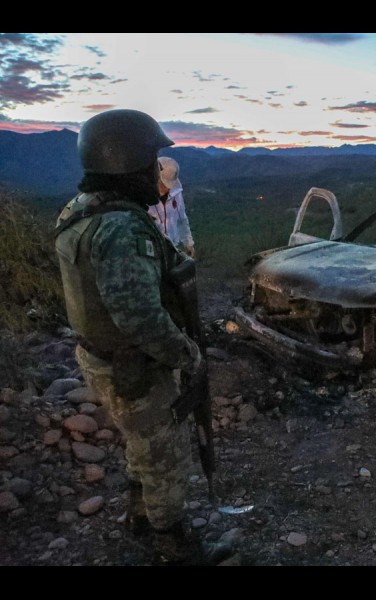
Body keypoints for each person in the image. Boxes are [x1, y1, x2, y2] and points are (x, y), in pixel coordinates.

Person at [53, 109, 230, 565]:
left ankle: (139, 514)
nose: (157, 172)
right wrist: (188, 355)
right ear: (126, 164)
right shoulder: (121, 228)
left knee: (141, 441)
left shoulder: (81, 210)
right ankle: (172, 543)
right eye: (151, 162)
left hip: (102, 357)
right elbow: (141, 319)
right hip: (133, 364)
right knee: (165, 456)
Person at [148, 156, 196, 258]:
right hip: (152, 249)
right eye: (163, 184)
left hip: (172, 247)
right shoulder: (144, 197)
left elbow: (182, 219)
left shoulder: (176, 193)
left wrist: (188, 243)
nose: (167, 188)